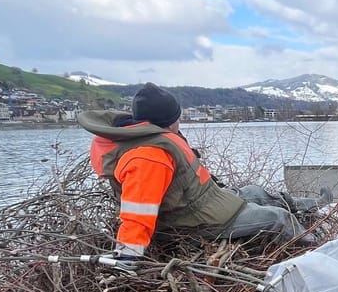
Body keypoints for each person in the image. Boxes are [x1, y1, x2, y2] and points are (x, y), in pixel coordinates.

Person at [78, 84, 308, 266]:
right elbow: (138, 213)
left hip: (204, 203)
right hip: (192, 222)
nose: (179, 121)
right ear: (168, 121)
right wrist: (127, 256)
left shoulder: (154, 136)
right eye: (177, 117)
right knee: (278, 218)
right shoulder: (150, 156)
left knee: (255, 193)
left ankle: (308, 205)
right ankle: (312, 253)